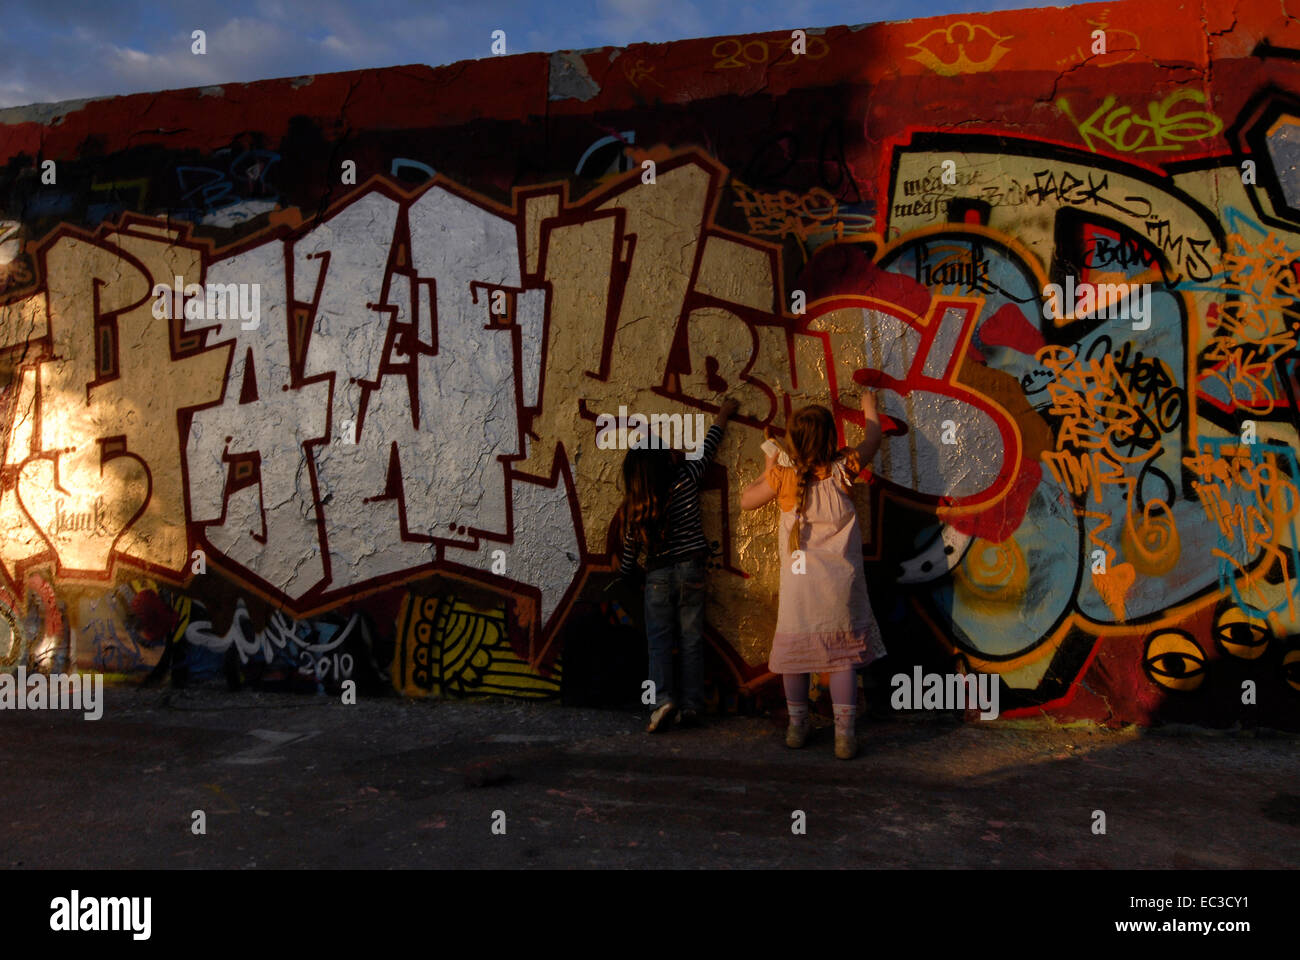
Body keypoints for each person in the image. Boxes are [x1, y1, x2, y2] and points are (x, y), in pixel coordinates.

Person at [739, 393, 887, 759]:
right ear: (831, 440)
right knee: (842, 660)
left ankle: (796, 726)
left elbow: (746, 499)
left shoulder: (783, 479)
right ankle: (844, 735)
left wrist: (769, 463)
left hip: (800, 587)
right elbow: (873, 439)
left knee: (796, 655)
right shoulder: (844, 468)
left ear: (793, 443)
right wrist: (869, 406)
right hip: (840, 584)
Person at [616, 398, 739, 732]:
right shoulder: (686, 479)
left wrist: (627, 575)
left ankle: (662, 702)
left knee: (658, 641)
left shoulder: (636, 504)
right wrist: (723, 415)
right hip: (691, 571)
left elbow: (630, 551)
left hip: (656, 576)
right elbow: (708, 447)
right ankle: (692, 705)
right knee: (691, 638)